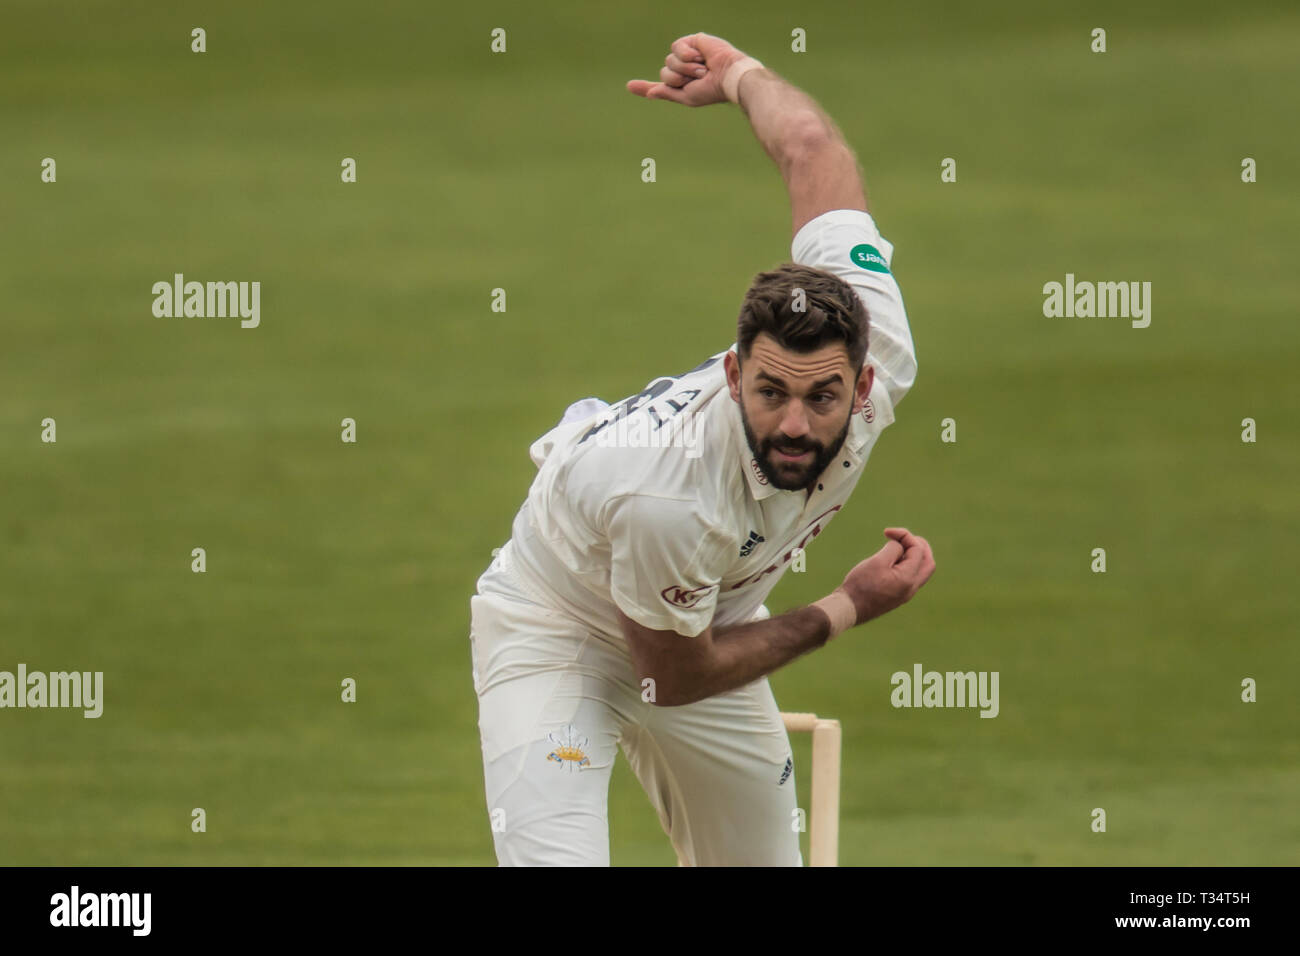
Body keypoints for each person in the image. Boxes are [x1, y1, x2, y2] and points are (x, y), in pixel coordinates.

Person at [469, 31, 936, 866]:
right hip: (561, 629)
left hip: (702, 617)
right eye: (770, 392)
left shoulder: (882, 344)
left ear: (864, 387)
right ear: (733, 372)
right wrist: (845, 607)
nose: (794, 425)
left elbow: (811, 148)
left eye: (822, 397)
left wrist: (742, 75)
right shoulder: (669, 493)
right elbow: (672, 679)